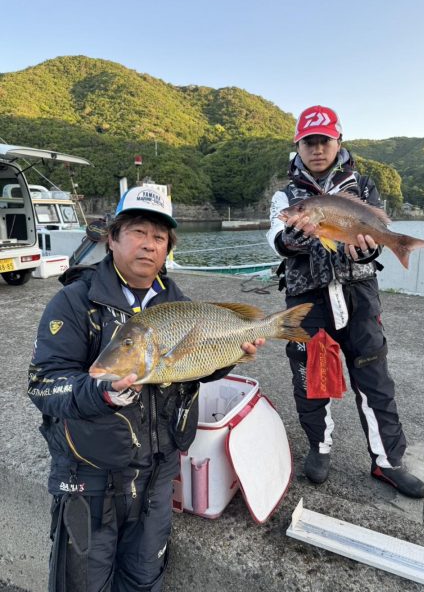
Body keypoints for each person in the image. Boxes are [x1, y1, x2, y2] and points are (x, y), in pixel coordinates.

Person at [28, 185, 264, 592]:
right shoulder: (74, 303)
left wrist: (228, 355)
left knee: (144, 581)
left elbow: (191, 371)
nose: (149, 245)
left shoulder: (178, 303)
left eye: (159, 237)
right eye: (138, 231)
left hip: (158, 474)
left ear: (168, 248)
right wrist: (100, 393)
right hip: (90, 478)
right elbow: (43, 384)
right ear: (113, 238)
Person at [267, 105, 424, 498]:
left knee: (374, 377)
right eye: (309, 141)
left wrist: (367, 249)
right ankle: (319, 449)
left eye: (324, 140)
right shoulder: (285, 196)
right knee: (310, 378)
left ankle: (388, 462)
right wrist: (301, 233)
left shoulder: (363, 186)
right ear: (298, 145)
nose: (317, 148)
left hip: (359, 296)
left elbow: (370, 238)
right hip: (307, 299)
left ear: (338, 141)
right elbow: (277, 241)